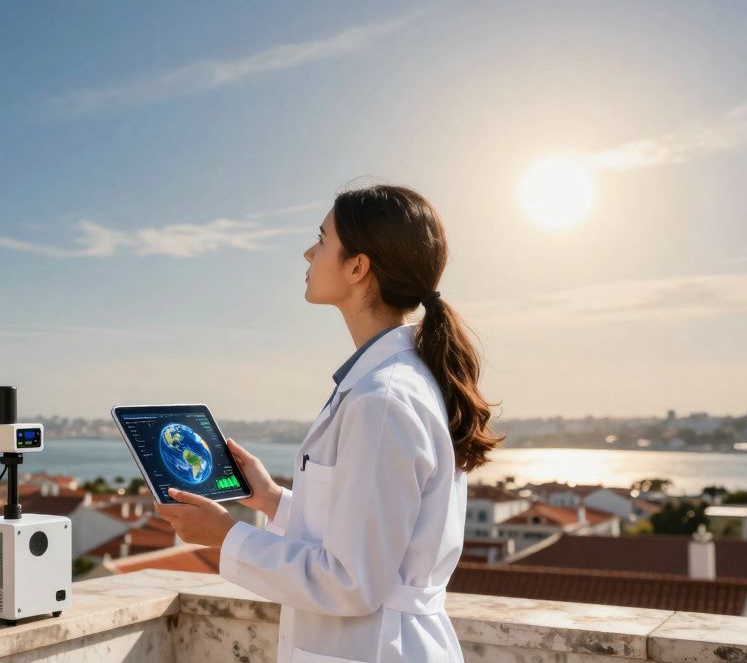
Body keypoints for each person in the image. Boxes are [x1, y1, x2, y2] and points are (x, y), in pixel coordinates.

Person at [158, 184, 503, 663]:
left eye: (321, 239)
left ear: (358, 268)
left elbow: (351, 581)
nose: (308, 252)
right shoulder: (387, 382)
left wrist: (226, 535)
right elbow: (365, 530)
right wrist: (270, 499)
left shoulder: (382, 399)